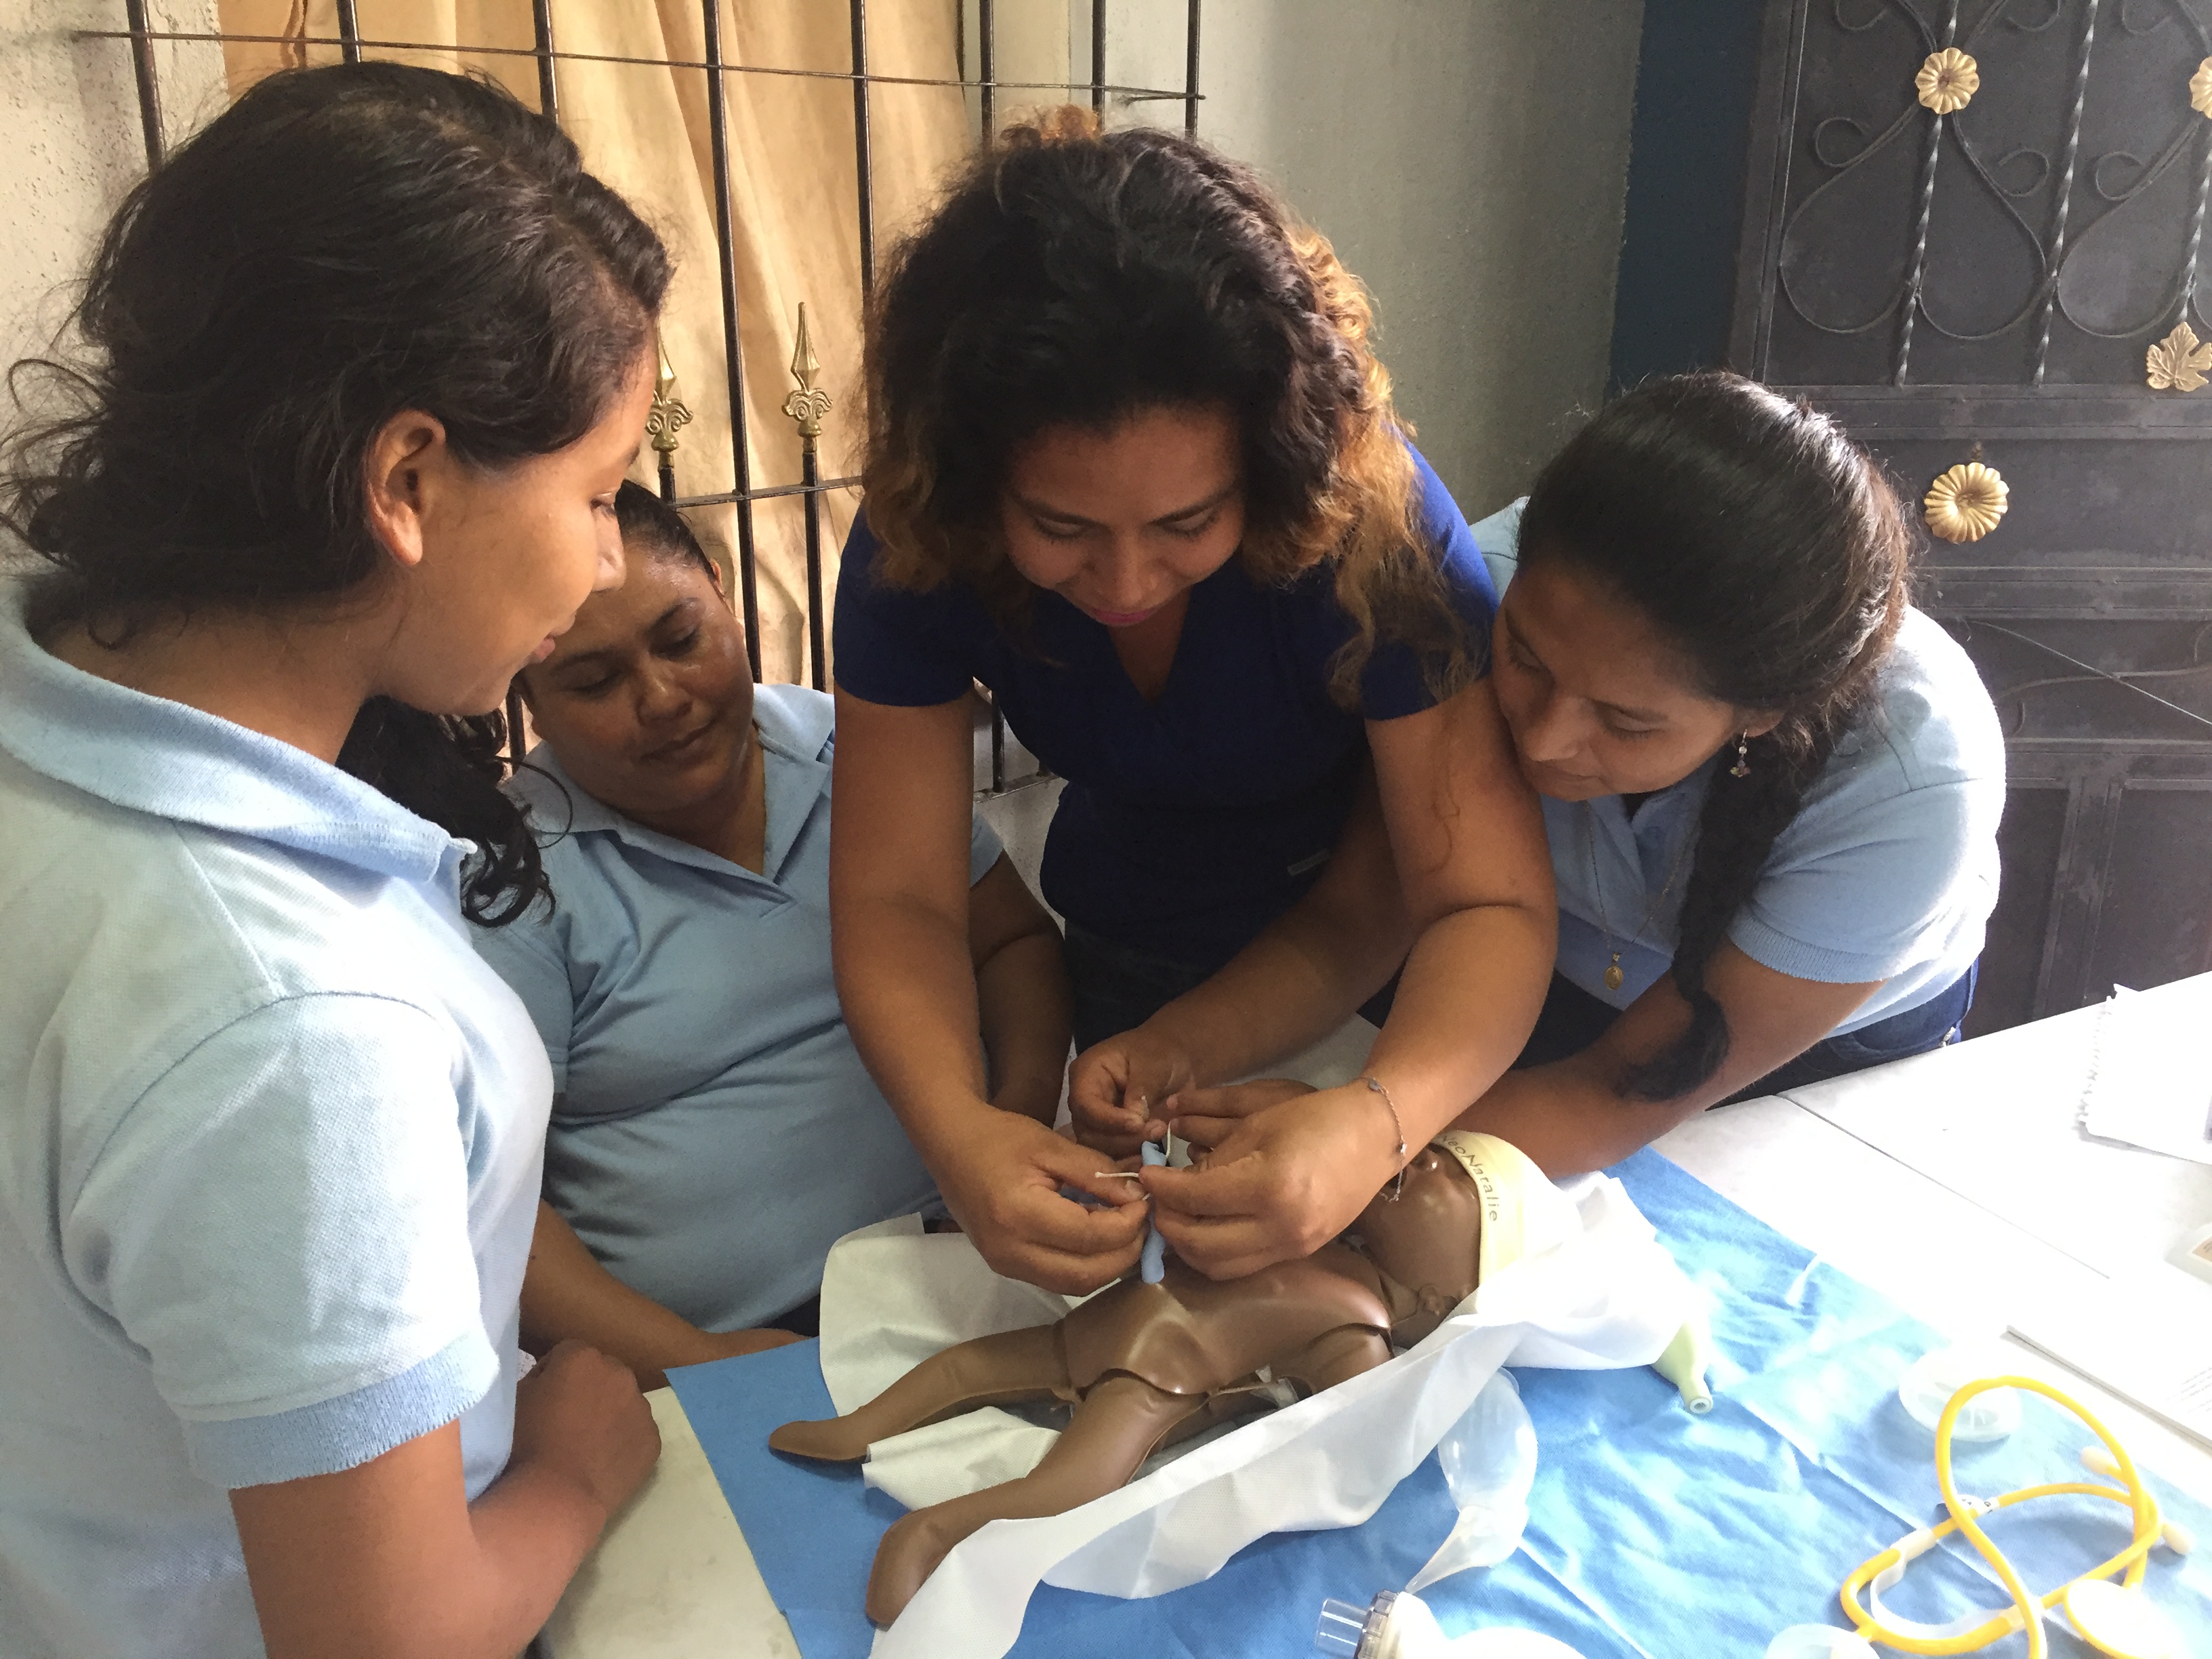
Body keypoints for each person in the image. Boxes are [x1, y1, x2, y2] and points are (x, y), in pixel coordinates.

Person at [0, 64, 672, 1658]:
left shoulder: (48, 685)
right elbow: (391, 1636)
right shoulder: (287, 1025)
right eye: (593, 493)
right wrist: (578, 1463)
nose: (601, 561)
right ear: (404, 481)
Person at [829, 108, 1555, 1294]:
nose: (1124, 584)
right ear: (973, 485)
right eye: (1059, 527)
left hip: (1395, 985)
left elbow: (1486, 902)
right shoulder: (919, 540)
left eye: (1188, 523)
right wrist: (957, 1135)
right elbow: (898, 895)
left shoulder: (1377, 531)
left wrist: (1377, 1122)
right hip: (1135, 945)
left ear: (1271, 470)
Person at [1136, 373, 2005, 1178]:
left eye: (1626, 722)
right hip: (1551, 984)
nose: (1545, 741)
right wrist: (1175, 1050)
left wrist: (1368, 1139)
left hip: (1807, 1045)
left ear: (1762, 714)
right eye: (1524, 657)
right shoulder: (1466, 590)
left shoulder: (1912, 781)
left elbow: (1619, 1093)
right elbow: (1365, 911)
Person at [478, 483, 1070, 1389]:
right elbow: (490, 1207)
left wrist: (1008, 1131)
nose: (662, 698)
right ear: (527, 696)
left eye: (682, 639)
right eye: (594, 682)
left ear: (724, 592)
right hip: (710, 1352)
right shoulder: (513, 881)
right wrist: (701, 1367)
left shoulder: (853, 752)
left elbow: (1012, 946)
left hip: (971, 1268)